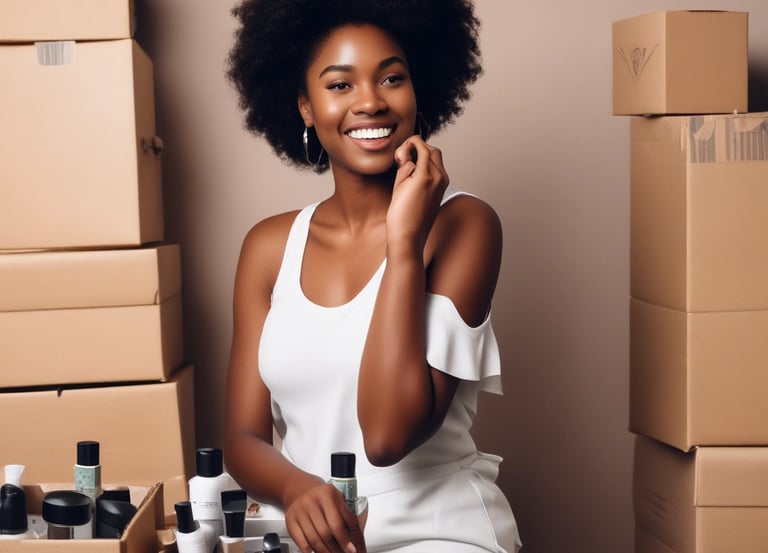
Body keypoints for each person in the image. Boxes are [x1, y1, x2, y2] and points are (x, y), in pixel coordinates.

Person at [223, 1, 522, 552]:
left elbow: (386, 437)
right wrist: (297, 487)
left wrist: (404, 241)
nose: (370, 101)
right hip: (311, 535)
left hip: (435, 531)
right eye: (340, 85)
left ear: (418, 89)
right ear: (305, 108)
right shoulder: (269, 246)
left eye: (392, 78)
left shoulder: (465, 225)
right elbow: (242, 438)